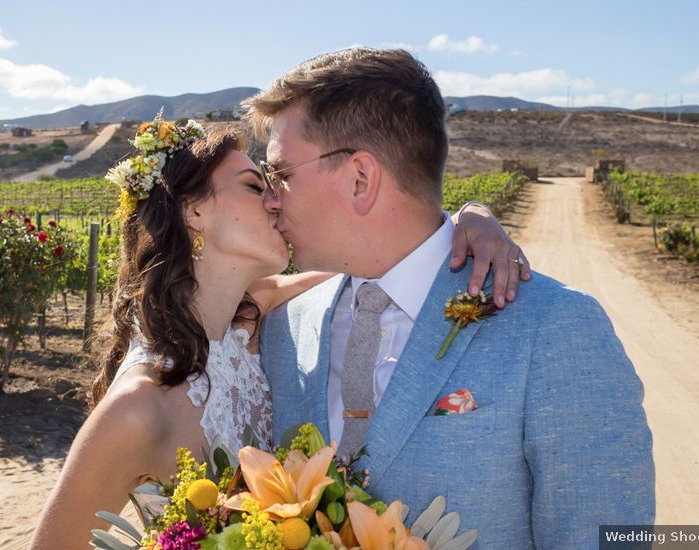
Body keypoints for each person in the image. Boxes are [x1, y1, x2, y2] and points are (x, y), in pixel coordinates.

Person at [30, 114, 530, 548]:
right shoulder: (139, 406)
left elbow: (387, 255)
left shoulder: (253, 315)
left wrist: (470, 218)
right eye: (253, 185)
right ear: (193, 210)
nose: (275, 201)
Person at [250, 47, 655, 549]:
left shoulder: (555, 328)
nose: (269, 197)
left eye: (282, 175)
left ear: (361, 178)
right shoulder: (281, 327)